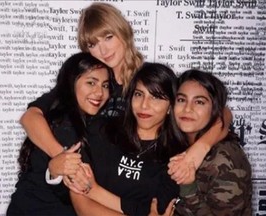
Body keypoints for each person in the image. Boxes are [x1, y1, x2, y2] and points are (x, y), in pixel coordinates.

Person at [20, 2, 231, 189]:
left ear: (124, 32)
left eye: (108, 37)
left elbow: (220, 112)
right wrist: (62, 157)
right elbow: (30, 117)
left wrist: (199, 149)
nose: (102, 50)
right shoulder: (89, 82)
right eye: (92, 44)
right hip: (84, 187)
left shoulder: (148, 79)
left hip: (136, 184)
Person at [68, 62, 186, 216]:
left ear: (171, 106)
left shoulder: (177, 156)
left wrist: (95, 191)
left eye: (156, 97)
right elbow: (79, 198)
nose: (144, 105)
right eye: (139, 94)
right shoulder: (102, 131)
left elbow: (158, 210)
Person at [6, 52, 112, 215]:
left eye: (105, 85)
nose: (99, 93)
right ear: (71, 83)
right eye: (91, 83)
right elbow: (73, 191)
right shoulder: (66, 126)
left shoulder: (63, 112)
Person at [169, 69, 252, 215]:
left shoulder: (224, 159)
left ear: (214, 109)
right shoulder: (176, 140)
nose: (187, 109)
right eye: (181, 100)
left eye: (199, 102)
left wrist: (189, 188)